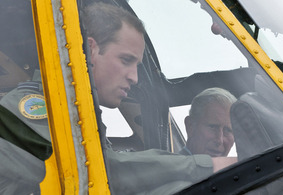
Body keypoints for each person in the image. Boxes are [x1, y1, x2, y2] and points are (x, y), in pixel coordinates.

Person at [83, 3, 237, 194]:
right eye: (126, 60)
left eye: (229, 130)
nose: (134, 77)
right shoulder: (52, 105)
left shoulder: (84, 112)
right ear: (91, 50)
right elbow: (105, 168)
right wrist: (210, 166)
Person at [180, 87, 236, 157]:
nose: (219, 140)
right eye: (213, 127)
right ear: (190, 126)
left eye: (228, 130)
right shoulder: (171, 167)